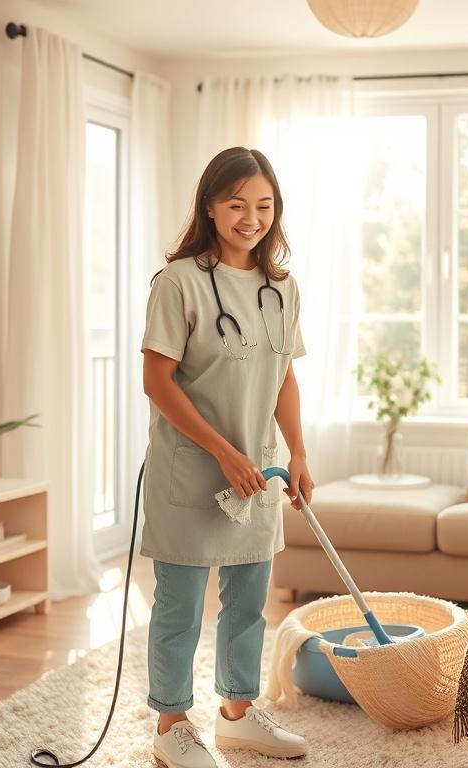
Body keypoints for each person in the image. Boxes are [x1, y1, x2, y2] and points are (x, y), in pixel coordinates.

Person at [141, 146, 314, 768]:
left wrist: (297, 453)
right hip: (191, 467)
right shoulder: (178, 282)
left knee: (248, 602)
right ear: (210, 207)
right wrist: (221, 452)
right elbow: (157, 382)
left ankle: (239, 716)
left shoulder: (282, 286)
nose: (251, 217)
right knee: (180, 606)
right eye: (236, 203)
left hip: (260, 469)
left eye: (263, 205)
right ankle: (170, 725)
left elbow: (283, 378)